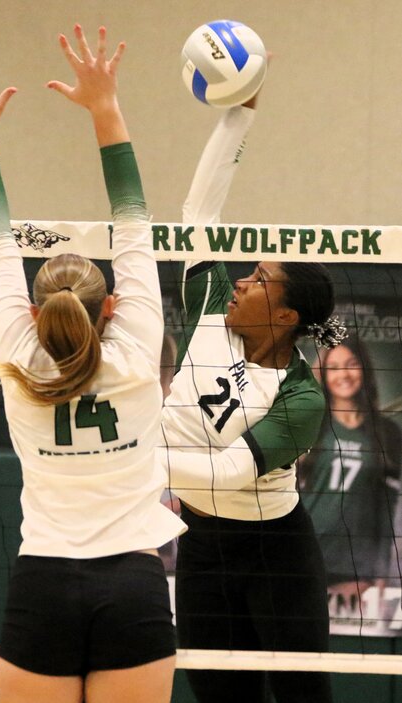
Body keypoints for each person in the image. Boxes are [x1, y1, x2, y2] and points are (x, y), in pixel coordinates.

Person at [0, 24, 185, 703]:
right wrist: (105, 107)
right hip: (131, 587)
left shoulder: (17, 357)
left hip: (41, 583)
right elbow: (133, 218)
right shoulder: (134, 351)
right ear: (112, 308)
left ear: (35, 314)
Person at [159, 94, 345, 703]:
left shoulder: (301, 398)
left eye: (260, 279)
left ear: (287, 315)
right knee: (218, 698)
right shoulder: (210, 310)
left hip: (276, 553)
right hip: (200, 545)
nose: (242, 278)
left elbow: (231, 474)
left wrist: (135, 458)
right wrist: (242, 113)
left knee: (302, 697)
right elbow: (198, 209)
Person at [301, 335, 401, 612]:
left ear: (364, 368)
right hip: (304, 559)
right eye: (333, 368)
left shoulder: (386, 433)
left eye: (351, 364)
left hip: (356, 570)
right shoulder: (310, 425)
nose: (343, 374)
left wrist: (374, 573)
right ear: (323, 374)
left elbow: (389, 510)